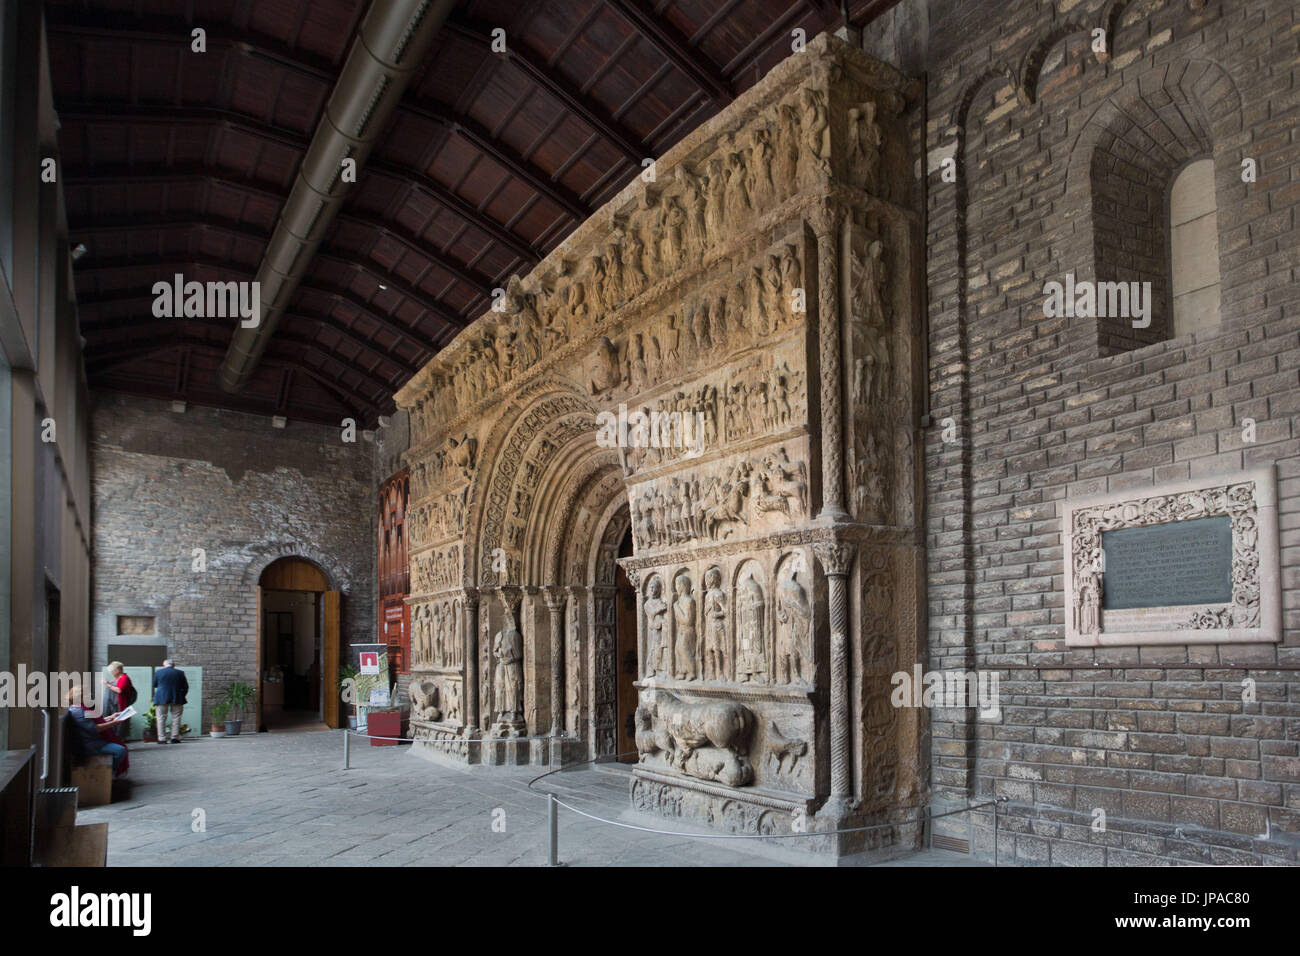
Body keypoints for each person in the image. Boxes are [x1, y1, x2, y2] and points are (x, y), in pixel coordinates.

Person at [66, 686, 129, 777]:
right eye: (87, 695)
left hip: (91, 741)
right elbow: (95, 728)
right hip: (91, 744)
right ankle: (109, 775)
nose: (90, 696)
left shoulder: (78, 708)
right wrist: (114, 722)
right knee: (120, 750)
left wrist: (111, 717)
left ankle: (110, 774)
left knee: (120, 749)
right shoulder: (79, 711)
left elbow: (95, 721)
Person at [152, 659, 189, 744]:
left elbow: (155, 685)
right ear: (173, 665)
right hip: (177, 697)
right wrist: (182, 695)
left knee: (161, 718)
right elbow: (185, 687)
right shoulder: (180, 673)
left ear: (164, 665)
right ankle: (174, 738)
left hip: (162, 697)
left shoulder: (158, 672)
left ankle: (162, 739)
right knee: (176, 717)